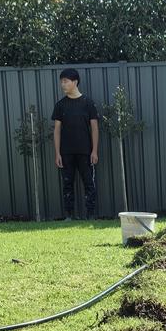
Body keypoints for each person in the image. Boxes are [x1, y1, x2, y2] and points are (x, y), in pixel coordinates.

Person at [50, 68, 99, 219]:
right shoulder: (60, 105)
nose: (62, 85)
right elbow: (57, 130)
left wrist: (94, 151)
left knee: (89, 184)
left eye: (65, 81)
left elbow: (95, 128)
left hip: (85, 152)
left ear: (75, 82)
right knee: (67, 184)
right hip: (66, 153)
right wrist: (57, 153)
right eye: (61, 82)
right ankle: (68, 216)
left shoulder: (88, 103)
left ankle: (90, 215)